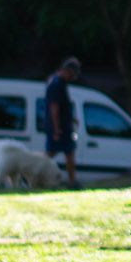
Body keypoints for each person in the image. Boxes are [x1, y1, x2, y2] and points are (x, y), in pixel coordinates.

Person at [44, 57, 81, 190]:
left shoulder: (53, 80)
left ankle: (72, 181)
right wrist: (57, 128)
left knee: (52, 153)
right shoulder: (57, 84)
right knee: (63, 153)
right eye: (72, 74)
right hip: (60, 127)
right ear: (67, 71)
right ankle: (72, 182)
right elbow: (54, 107)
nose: (72, 78)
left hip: (59, 124)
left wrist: (70, 118)